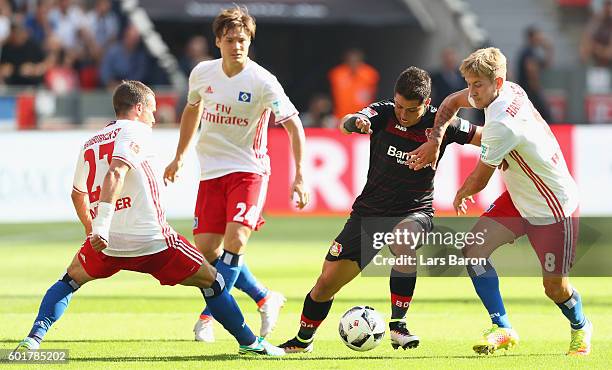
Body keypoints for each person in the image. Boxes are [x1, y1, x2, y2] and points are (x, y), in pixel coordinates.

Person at [14, 80, 284, 357]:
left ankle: (33, 339)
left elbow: (77, 194)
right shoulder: (136, 131)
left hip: (107, 245)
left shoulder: (90, 142)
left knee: (68, 281)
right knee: (214, 282)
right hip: (153, 241)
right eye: (153, 111)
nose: (155, 118)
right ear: (139, 108)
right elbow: (116, 173)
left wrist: (93, 230)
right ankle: (250, 344)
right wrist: (102, 226)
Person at [278, 67, 481, 353]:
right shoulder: (384, 113)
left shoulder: (442, 123)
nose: (402, 114)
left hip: (415, 211)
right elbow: (349, 121)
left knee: (402, 240)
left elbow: (485, 138)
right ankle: (302, 341)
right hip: (369, 213)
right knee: (325, 284)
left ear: (426, 104)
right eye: (399, 105)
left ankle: (398, 325)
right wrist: (356, 121)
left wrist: (507, 152)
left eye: (410, 110)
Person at [407, 47, 592, 356]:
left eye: (477, 84)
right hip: (521, 198)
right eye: (469, 83)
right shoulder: (504, 91)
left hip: (553, 207)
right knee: (473, 249)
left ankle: (580, 325)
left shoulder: (503, 123)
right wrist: (435, 140)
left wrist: (460, 192)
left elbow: (479, 180)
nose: (471, 92)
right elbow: (452, 102)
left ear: (498, 81)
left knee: (555, 289)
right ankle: (503, 327)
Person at [163, 5, 308, 343]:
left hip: (249, 170)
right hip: (211, 171)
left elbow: (293, 125)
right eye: (230, 40)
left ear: (249, 41)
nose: (237, 46)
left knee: (236, 242)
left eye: (243, 40)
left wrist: (300, 175)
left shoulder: (262, 81)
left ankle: (208, 317)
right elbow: (192, 109)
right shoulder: (202, 73)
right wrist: (180, 155)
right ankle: (264, 297)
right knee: (208, 251)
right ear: (218, 42)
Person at [328, 48, 380, 119]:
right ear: (346, 61)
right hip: (340, 115)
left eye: (356, 61)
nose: (353, 63)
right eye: (350, 61)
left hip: (362, 116)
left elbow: (372, 95)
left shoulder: (370, 74)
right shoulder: (337, 74)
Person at [517, 26, 553, 123]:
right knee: (546, 115)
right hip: (530, 91)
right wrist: (537, 89)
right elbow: (531, 71)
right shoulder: (528, 52)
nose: (541, 38)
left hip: (528, 91)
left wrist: (549, 50)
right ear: (532, 37)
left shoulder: (531, 52)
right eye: (538, 35)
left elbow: (545, 65)